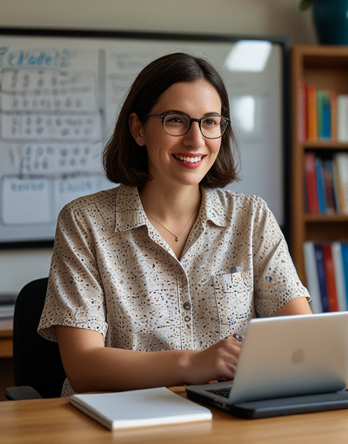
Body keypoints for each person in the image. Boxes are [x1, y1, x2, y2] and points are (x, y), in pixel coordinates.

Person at [38, 52, 311, 396]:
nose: (196, 140)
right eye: (176, 120)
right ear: (138, 129)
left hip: (229, 417)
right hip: (120, 422)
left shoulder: (251, 218)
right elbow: (82, 367)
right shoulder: (85, 222)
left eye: (210, 122)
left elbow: (305, 338)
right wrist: (191, 365)